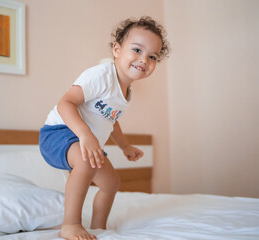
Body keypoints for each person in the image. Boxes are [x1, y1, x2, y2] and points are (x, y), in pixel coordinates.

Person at [39, 16, 170, 240]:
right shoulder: (101, 75)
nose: (144, 59)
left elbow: (111, 121)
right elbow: (65, 103)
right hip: (58, 133)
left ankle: (99, 226)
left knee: (111, 183)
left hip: (85, 140)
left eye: (152, 56)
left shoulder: (126, 93)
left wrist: (125, 146)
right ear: (117, 49)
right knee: (84, 161)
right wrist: (85, 134)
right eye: (137, 50)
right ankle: (70, 224)